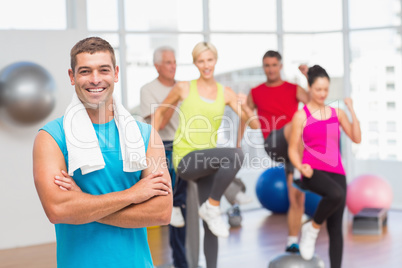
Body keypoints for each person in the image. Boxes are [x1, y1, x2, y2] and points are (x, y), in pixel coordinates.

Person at [33, 37, 172, 268]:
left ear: (116, 73)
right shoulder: (51, 137)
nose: (95, 79)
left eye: (103, 70)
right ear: (72, 76)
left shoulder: (146, 135)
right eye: (85, 71)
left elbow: (161, 212)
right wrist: (133, 195)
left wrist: (83, 204)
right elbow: (58, 210)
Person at [153, 41, 258, 268]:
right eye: (201, 61)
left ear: (215, 60)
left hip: (207, 162)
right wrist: (152, 137)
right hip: (186, 158)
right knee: (236, 155)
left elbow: (255, 123)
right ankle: (212, 206)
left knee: (212, 224)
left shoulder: (225, 93)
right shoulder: (184, 87)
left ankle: (211, 212)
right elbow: (160, 109)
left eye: (209, 60)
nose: (206, 65)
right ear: (195, 63)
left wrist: (245, 106)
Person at [288, 65, 361, 268]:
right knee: (336, 195)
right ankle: (312, 229)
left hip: (337, 172)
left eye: (326, 90)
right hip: (312, 171)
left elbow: (356, 138)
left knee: (336, 228)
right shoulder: (301, 116)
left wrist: (352, 110)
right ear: (309, 88)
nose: (322, 94)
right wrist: (300, 166)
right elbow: (293, 150)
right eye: (318, 89)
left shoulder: (336, 113)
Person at [242, 50, 309, 253]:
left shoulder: (294, 88)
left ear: (280, 66)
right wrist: (237, 144)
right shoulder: (255, 92)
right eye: (267, 65)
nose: (270, 69)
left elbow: (315, 104)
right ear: (264, 68)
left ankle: (292, 241)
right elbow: (244, 117)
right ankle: (299, 168)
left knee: (296, 196)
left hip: (294, 148)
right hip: (273, 143)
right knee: (294, 124)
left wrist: (308, 76)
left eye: (274, 65)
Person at [140, 46, 188, 268]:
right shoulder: (148, 90)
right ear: (157, 66)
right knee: (176, 207)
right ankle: (180, 262)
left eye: (174, 61)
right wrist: (175, 98)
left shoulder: (184, 88)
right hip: (164, 147)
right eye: (168, 62)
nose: (173, 66)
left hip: (186, 145)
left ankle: (233, 192)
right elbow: (159, 125)